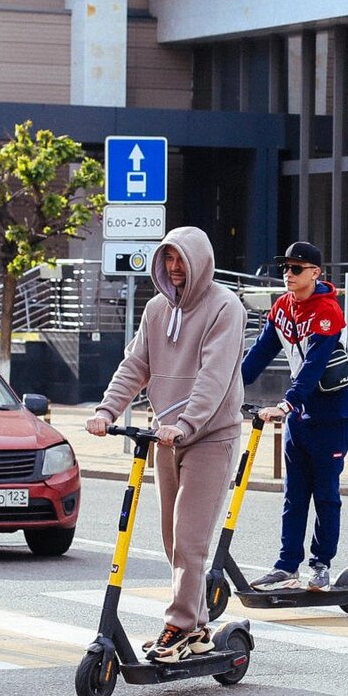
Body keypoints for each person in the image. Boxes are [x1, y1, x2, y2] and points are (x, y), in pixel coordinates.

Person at [85, 226, 246, 664]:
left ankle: (178, 625)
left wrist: (187, 423)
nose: (175, 268)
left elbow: (214, 375)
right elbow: (136, 364)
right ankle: (196, 627)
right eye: (168, 259)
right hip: (165, 437)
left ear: (200, 262)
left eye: (181, 260)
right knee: (173, 538)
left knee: (191, 539)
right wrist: (107, 411)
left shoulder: (224, 307)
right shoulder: (156, 309)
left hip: (210, 436)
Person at [241, 241, 348, 592]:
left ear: (315, 273)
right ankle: (286, 566)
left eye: (296, 268)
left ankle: (321, 564)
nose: (287, 274)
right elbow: (259, 353)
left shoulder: (327, 310)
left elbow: (313, 366)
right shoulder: (283, 307)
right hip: (299, 417)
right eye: (285, 268)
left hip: (331, 415)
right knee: (294, 495)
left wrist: (286, 404)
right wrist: (227, 388)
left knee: (325, 494)